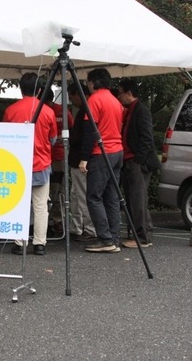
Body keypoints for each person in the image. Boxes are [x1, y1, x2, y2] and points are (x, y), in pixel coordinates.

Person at [3, 72, 57, 256]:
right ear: (40, 89)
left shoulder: (11, 110)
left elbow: (5, 138)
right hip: (41, 163)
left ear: (20, 89)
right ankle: (40, 243)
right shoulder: (48, 111)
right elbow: (54, 139)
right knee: (41, 206)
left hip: (17, 165)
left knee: (20, 204)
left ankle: (20, 242)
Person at [79, 68, 124, 253]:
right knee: (112, 197)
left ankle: (105, 239)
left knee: (94, 196)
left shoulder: (94, 100)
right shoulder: (115, 101)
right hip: (117, 151)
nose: (88, 85)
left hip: (101, 152)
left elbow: (91, 131)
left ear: (94, 82)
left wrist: (83, 158)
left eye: (89, 81)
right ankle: (114, 238)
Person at [117, 78, 160, 248]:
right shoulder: (129, 110)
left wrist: (138, 160)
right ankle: (140, 232)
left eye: (120, 92)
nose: (118, 96)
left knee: (137, 199)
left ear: (129, 93)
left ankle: (142, 236)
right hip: (130, 159)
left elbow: (146, 138)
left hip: (137, 161)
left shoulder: (141, 110)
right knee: (134, 198)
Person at [66, 82, 97, 242]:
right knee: (76, 195)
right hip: (77, 159)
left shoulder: (86, 111)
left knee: (83, 195)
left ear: (79, 95)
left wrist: (84, 158)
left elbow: (86, 138)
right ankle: (77, 226)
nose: (72, 101)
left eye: (72, 97)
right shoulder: (83, 111)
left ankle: (89, 228)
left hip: (81, 160)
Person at [43, 87, 74, 238]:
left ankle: (55, 222)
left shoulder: (59, 111)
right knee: (53, 192)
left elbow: (72, 130)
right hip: (51, 157)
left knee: (55, 191)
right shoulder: (61, 111)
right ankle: (54, 222)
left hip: (57, 158)